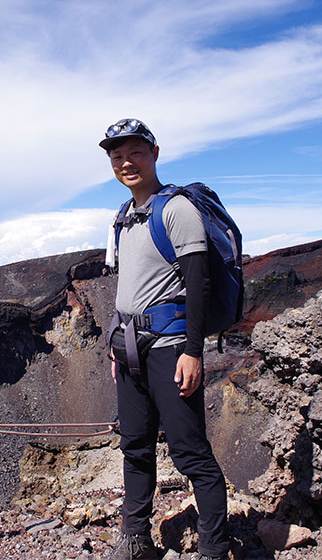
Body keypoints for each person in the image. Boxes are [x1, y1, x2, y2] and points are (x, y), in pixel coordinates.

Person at [101, 118, 230, 560]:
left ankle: (213, 549)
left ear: (155, 153)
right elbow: (128, 288)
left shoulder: (175, 210)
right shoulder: (122, 216)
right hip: (131, 349)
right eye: (117, 156)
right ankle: (135, 538)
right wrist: (117, 346)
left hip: (171, 349)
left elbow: (199, 284)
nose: (126, 162)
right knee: (135, 447)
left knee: (189, 452)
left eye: (135, 152)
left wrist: (194, 352)